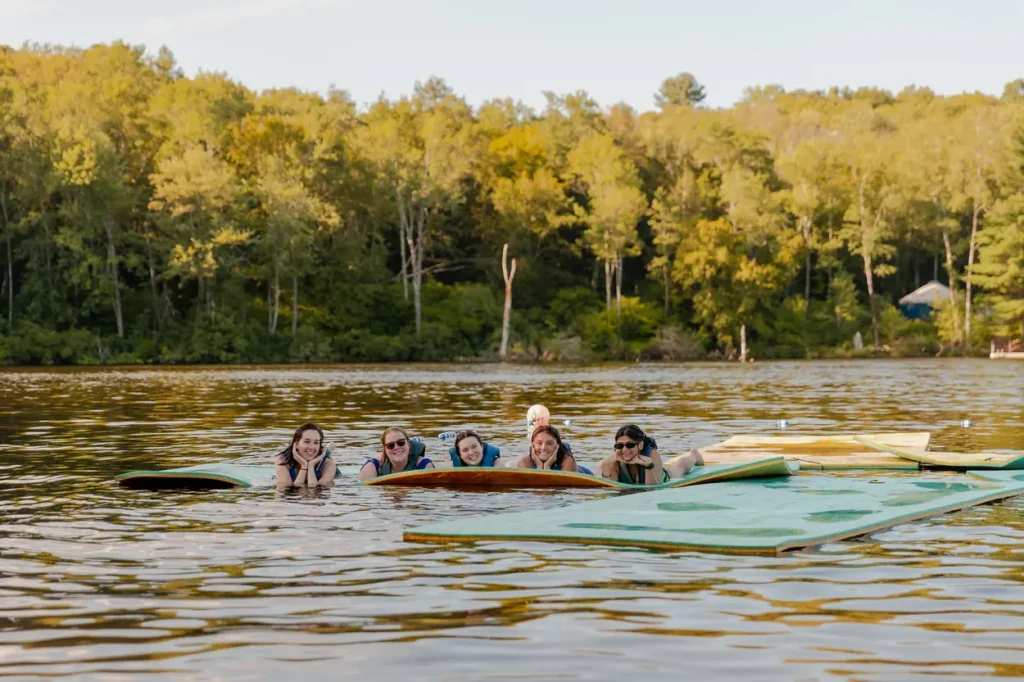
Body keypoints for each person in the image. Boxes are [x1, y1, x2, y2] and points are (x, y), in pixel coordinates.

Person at [595, 424, 703, 485]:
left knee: (679, 468)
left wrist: (648, 465)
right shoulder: (614, 459)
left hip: (659, 477)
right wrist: (605, 464)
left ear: (640, 445)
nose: (624, 450)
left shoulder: (651, 454)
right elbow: (610, 488)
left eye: (630, 445)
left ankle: (694, 455)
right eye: (619, 445)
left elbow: (653, 488)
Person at [358, 427, 435, 481]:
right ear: (385, 450)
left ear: (408, 444)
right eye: (390, 445)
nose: (396, 447)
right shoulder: (372, 467)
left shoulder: (424, 466)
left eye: (400, 442)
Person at [275, 422, 337, 488]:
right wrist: (304, 466)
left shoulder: (329, 465)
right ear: (297, 443)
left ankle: (327, 452)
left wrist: (311, 466)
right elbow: (288, 490)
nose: (311, 447)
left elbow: (313, 491)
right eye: (307, 441)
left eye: (316, 443)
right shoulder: (282, 460)